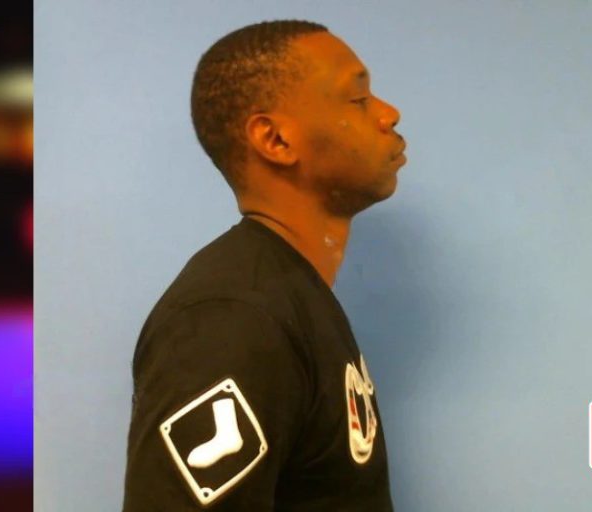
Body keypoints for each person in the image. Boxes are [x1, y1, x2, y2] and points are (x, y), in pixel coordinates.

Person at [122, 19, 407, 511]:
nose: (389, 113)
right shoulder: (232, 319)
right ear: (275, 140)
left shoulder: (294, 299)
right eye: (358, 99)